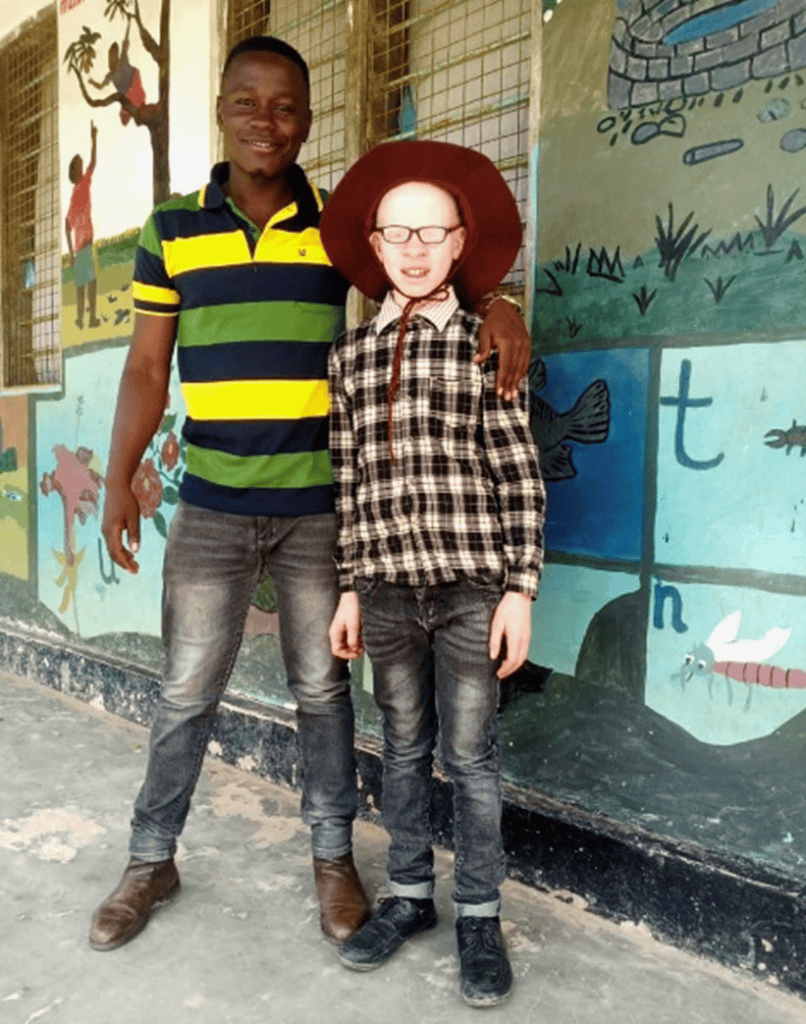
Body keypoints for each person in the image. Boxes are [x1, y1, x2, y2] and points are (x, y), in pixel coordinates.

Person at [90, 35, 532, 954]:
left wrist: (503, 304)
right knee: (183, 691)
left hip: (318, 509)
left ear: (308, 118)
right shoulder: (171, 228)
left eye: (286, 105)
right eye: (248, 101)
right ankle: (149, 858)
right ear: (221, 107)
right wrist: (121, 480)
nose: (266, 120)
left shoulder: (336, 229)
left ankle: (334, 858)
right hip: (211, 502)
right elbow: (145, 364)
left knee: (322, 692)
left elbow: (427, 280)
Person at [322, 141, 545, 1007]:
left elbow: (519, 474)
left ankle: (480, 914)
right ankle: (410, 894)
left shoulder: (489, 347)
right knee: (404, 747)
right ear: (374, 247)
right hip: (383, 590)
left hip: (467, 590)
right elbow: (349, 482)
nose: (415, 247)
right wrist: (348, 584)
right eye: (397, 232)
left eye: (433, 232)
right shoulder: (348, 361)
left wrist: (518, 590)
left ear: (460, 244)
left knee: (472, 757)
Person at [65, 121, 101, 330]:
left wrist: (70, 252)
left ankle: (80, 318)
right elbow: (93, 162)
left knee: (80, 285)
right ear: (77, 172)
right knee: (92, 283)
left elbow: (66, 225)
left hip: (79, 248)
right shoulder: (83, 184)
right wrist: (94, 139)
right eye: (80, 164)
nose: (83, 165)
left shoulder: (73, 196)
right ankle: (92, 318)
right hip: (85, 243)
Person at [89, 20, 149, 126]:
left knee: (138, 101)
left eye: (114, 56)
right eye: (110, 57)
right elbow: (101, 86)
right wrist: (92, 82)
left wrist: (129, 25)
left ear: (116, 57)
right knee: (124, 119)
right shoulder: (110, 75)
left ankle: (141, 109)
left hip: (133, 82)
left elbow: (125, 45)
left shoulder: (122, 60)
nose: (112, 59)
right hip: (126, 94)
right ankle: (137, 113)